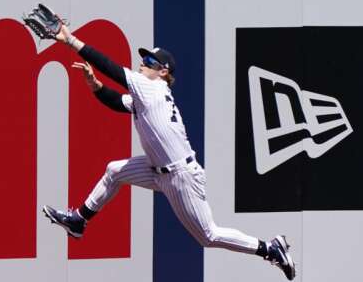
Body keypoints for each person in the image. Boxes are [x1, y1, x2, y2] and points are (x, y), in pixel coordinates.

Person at [42, 24, 296, 280]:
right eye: (143, 59)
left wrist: (71, 41)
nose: (143, 63)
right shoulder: (147, 95)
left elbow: (113, 69)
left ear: (163, 71)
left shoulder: (151, 87)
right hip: (157, 169)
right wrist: (95, 85)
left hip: (180, 176)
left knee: (208, 236)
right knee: (114, 171)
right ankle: (79, 221)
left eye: (149, 61)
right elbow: (117, 102)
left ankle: (269, 249)